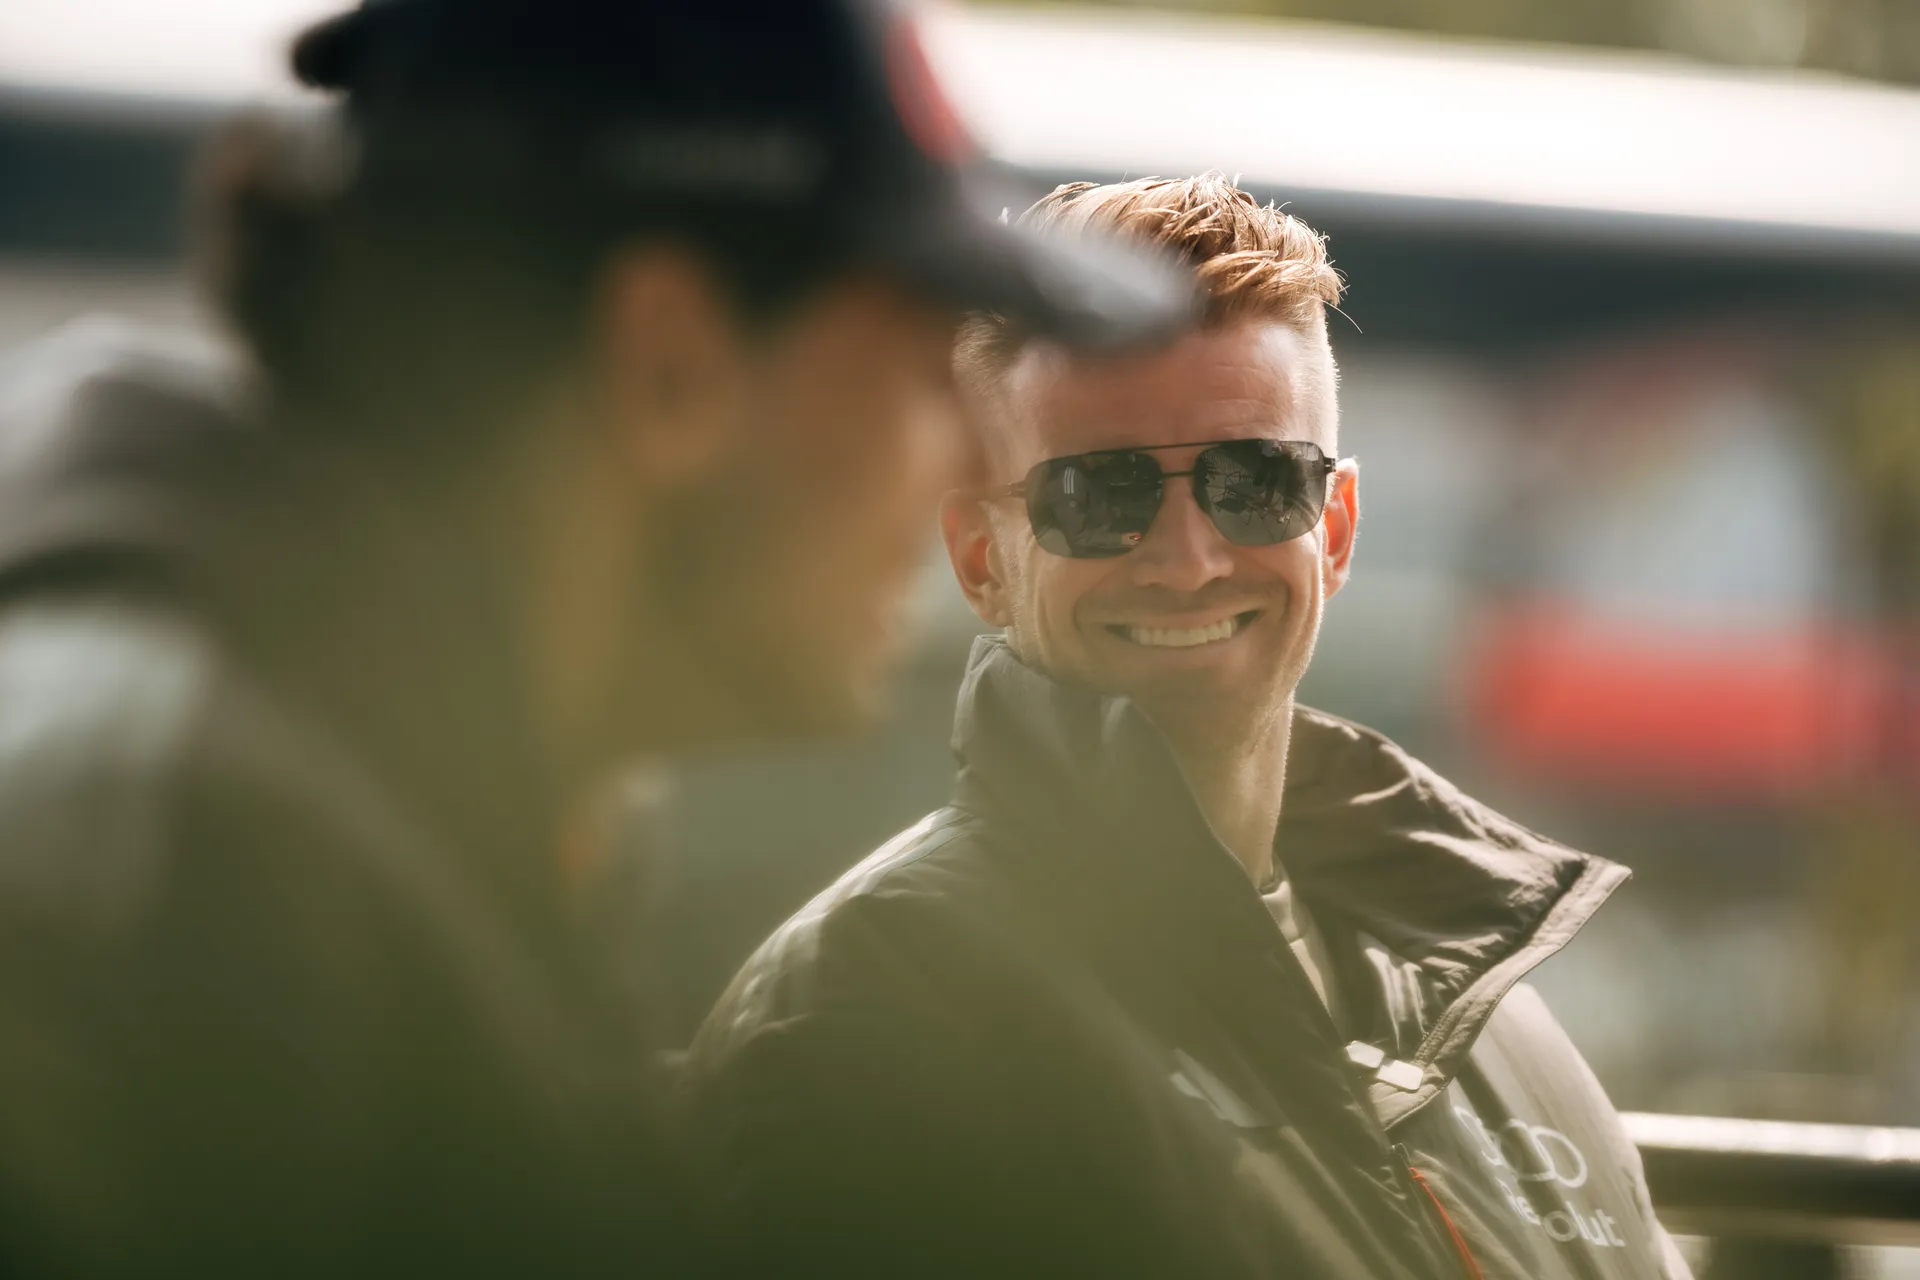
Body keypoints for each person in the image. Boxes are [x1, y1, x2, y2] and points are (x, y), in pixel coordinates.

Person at [0, 3, 1193, 1275]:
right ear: (672, 362)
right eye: (916, 376)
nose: (968, 462)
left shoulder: (359, 824)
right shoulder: (183, 892)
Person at [683, 175, 1695, 1279]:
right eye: (1098, 493)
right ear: (983, 557)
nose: (1188, 559)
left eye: (1255, 480)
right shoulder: (862, 1024)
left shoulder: (1483, 1004)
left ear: (1336, 528)